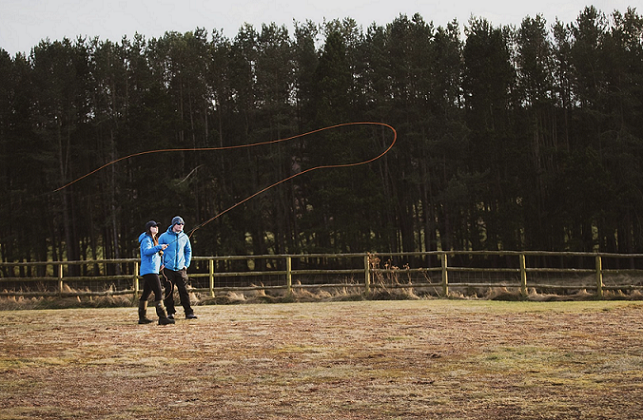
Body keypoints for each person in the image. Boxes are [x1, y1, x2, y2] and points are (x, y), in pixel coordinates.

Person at [159, 216, 197, 319]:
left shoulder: (184, 237)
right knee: (169, 291)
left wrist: (186, 264)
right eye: (178, 224)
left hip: (181, 269)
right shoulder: (163, 237)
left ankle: (188, 312)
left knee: (183, 291)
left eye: (182, 224)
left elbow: (188, 251)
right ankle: (170, 312)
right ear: (173, 225)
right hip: (168, 269)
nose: (180, 226)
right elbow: (158, 251)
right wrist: (160, 264)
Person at [138, 220, 175, 325]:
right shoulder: (146, 240)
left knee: (146, 293)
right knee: (158, 291)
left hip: (152, 270)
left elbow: (153, 254)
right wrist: (159, 247)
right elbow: (146, 251)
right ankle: (162, 317)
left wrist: (160, 265)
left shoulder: (153, 240)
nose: (156, 228)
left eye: (157, 226)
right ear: (149, 228)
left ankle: (142, 317)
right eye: (154, 227)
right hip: (149, 271)